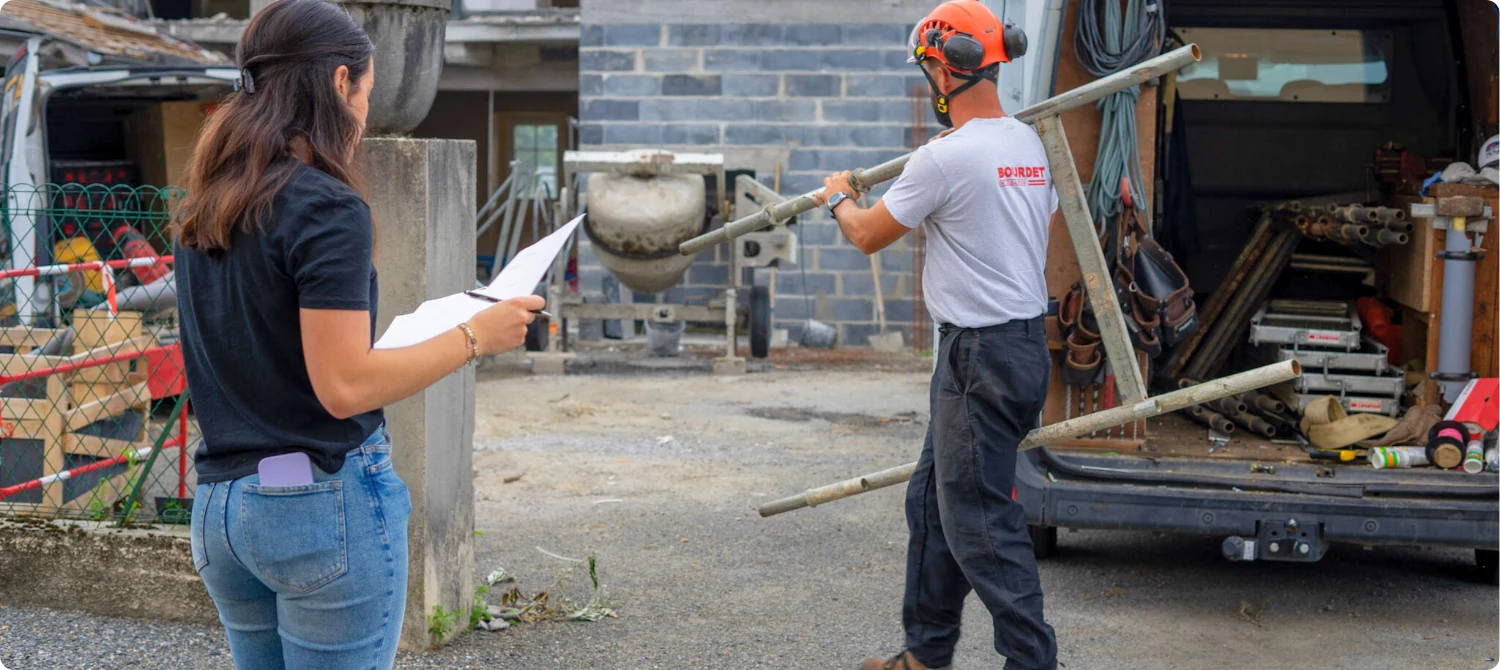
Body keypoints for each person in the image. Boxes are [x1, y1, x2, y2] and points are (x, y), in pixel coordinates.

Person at [173, 0, 543, 667]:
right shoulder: (325, 205)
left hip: (223, 507)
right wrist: (477, 337)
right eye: (366, 93)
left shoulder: (209, 202)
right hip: (316, 507)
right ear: (340, 83)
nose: (365, 115)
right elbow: (344, 387)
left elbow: (273, 352)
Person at [810, 2, 1060, 669]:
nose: (929, 82)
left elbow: (866, 234)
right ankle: (923, 656)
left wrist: (837, 195)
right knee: (932, 504)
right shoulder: (1024, 144)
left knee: (981, 525)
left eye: (928, 69)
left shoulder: (942, 158)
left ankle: (1032, 663)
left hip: (979, 357)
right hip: (1017, 348)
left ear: (946, 69)